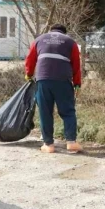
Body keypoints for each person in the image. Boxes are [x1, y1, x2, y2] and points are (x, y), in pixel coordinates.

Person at [25, 24, 82, 154]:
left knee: (45, 112)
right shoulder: (70, 42)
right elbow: (76, 64)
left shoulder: (39, 39)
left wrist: (28, 74)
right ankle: (71, 142)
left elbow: (30, 59)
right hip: (63, 81)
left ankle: (48, 145)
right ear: (64, 32)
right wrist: (77, 83)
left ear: (51, 31)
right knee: (68, 111)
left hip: (42, 80)